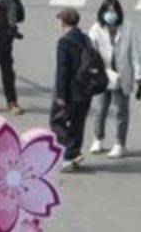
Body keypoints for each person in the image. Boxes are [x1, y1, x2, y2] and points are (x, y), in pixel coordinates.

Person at [89, 0, 141, 160]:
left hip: (122, 74)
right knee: (100, 108)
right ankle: (98, 138)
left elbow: (135, 53)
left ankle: (120, 143)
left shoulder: (128, 28)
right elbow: (91, 53)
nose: (110, 14)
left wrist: (139, 76)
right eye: (107, 10)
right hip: (103, 74)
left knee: (121, 111)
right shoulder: (96, 29)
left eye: (113, 10)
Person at [53, 9, 99, 171]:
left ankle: (71, 151)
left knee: (57, 122)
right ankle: (73, 156)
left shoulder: (64, 42)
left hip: (71, 90)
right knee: (77, 124)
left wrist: (60, 95)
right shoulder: (85, 39)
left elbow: (63, 70)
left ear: (64, 22)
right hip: (86, 89)